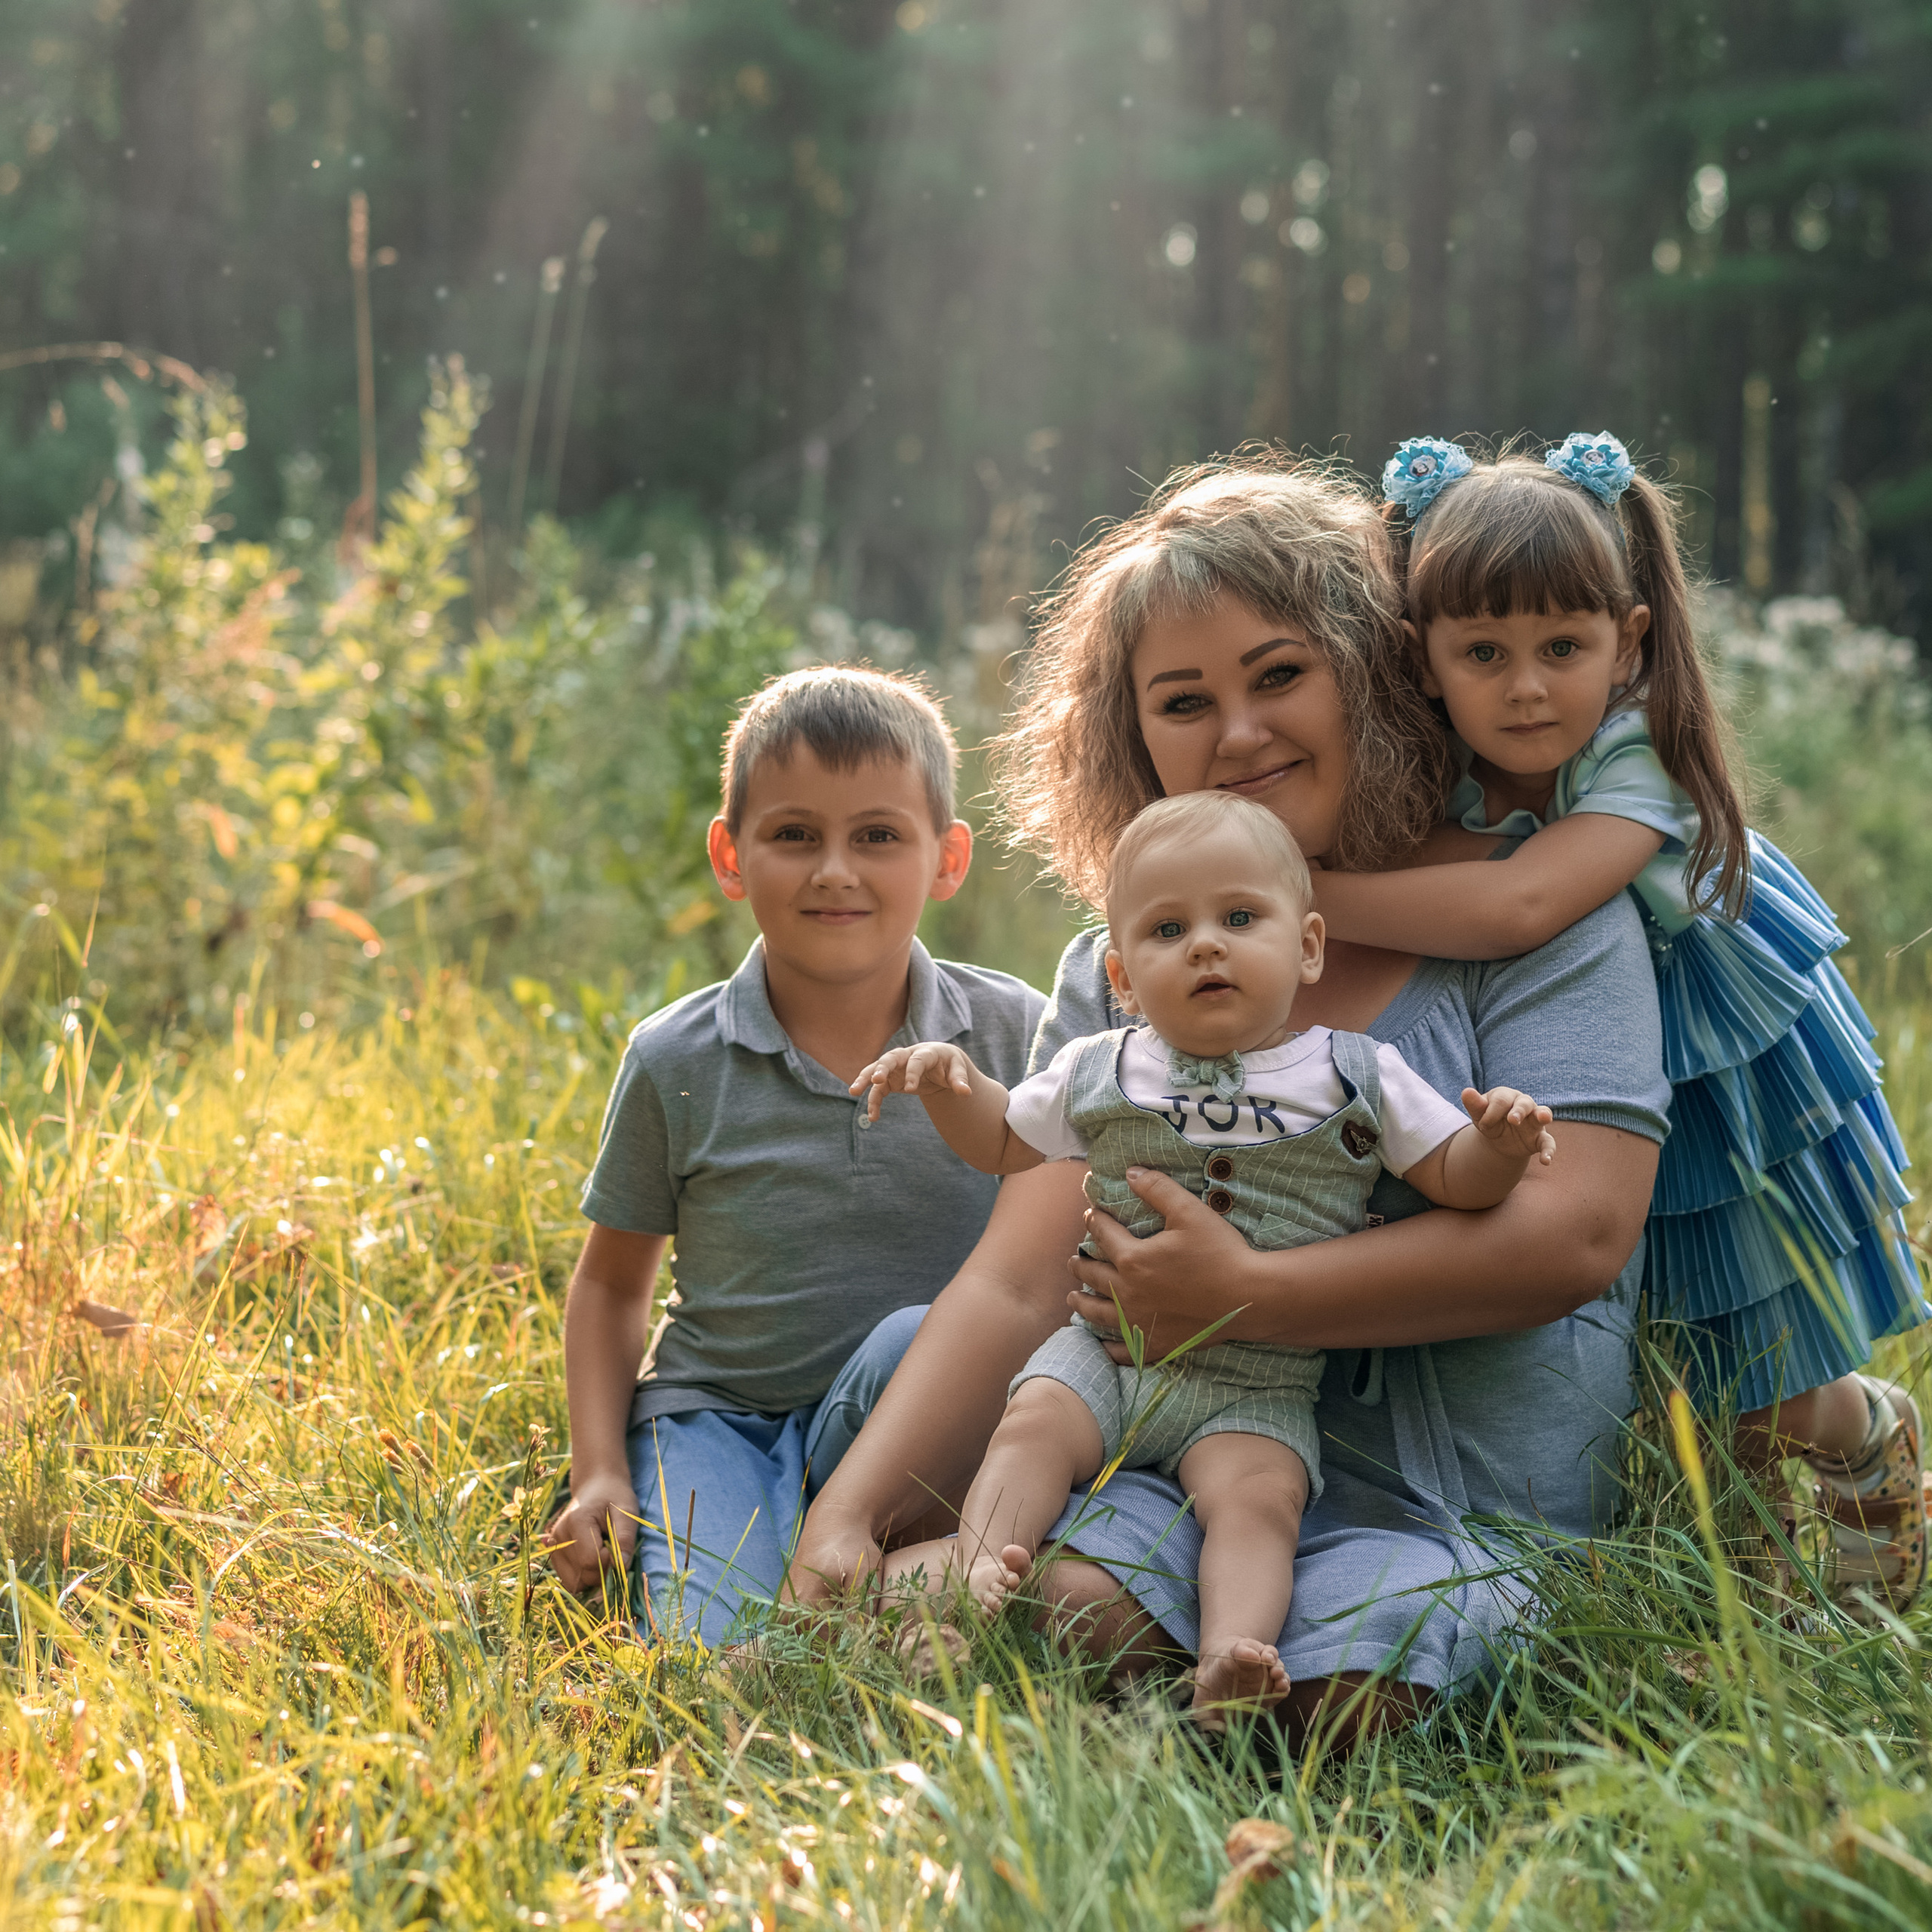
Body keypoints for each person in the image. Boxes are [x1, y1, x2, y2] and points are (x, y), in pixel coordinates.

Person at [786, 454, 1671, 1746]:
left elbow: (1574, 1238)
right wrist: (842, 1517)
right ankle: (960, 1571)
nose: (1240, 733)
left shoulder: (1536, 906)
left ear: (1375, 669)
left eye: (1279, 676)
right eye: (1184, 701)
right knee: (1065, 1596)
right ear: (1130, 736)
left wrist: (1248, 1294)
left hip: (1447, 1484)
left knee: (1360, 1679)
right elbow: (1027, 1277)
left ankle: (1199, 1646)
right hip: (1175, 1449)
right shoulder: (1123, 967)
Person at [1306, 432, 1928, 1614]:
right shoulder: (1444, 783)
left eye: (1564, 647)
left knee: (1757, 1360)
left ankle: (1862, 1436)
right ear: (1421, 660)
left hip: (1714, 1086)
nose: (1527, 685)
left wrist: (1296, 901)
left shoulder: (1632, 758)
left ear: (1627, 642)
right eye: (1483, 651)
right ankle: (1737, 1605)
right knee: (1670, 1366)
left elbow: (1519, 904)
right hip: (1585, 1084)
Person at [851, 788, 1555, 1718]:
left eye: (1238, 918)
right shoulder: (1102, 1064)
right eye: (1168, 928)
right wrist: (952, 1083)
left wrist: (1499, 1143)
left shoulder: (1355, 1071)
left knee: (1257, 1503)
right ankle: (980, 1572)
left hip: (1258, 1380)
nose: (1206, 945)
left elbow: (1454, 1177)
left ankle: (1235, 1656)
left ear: (1306, 946)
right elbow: (1005, 1142)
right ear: (1125, 977)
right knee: (1031, 1427)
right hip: (1106, 1352)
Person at [543, 665, 1045, 1643]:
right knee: (715, 1652)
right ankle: (869, 1603)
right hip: (720, 1418)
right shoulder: (675, 1060)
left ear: (946, 859)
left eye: (877, 836)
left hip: (918, 1422)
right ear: (732, 856)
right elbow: (610, 1288)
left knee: (924, 1335)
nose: (835, 871)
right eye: (794, 835)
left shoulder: (1016, 1033)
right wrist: (598, 1467)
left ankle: (883, 1572)